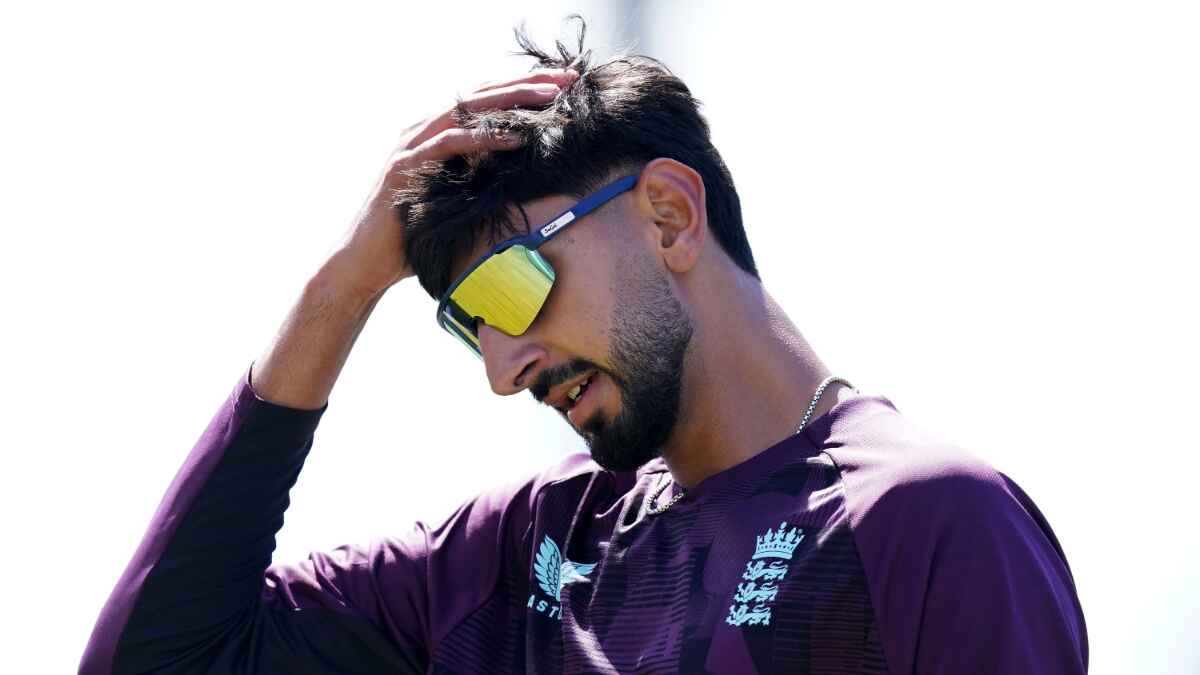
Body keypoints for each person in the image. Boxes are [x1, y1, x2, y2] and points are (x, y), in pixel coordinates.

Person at [79, 21, 1088, 675]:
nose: (502, 369)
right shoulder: (530, 549)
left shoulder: (923, 524)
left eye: (512, 288)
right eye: (468, 324)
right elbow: (162, 662)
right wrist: (338, 293)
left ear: (666, 216)